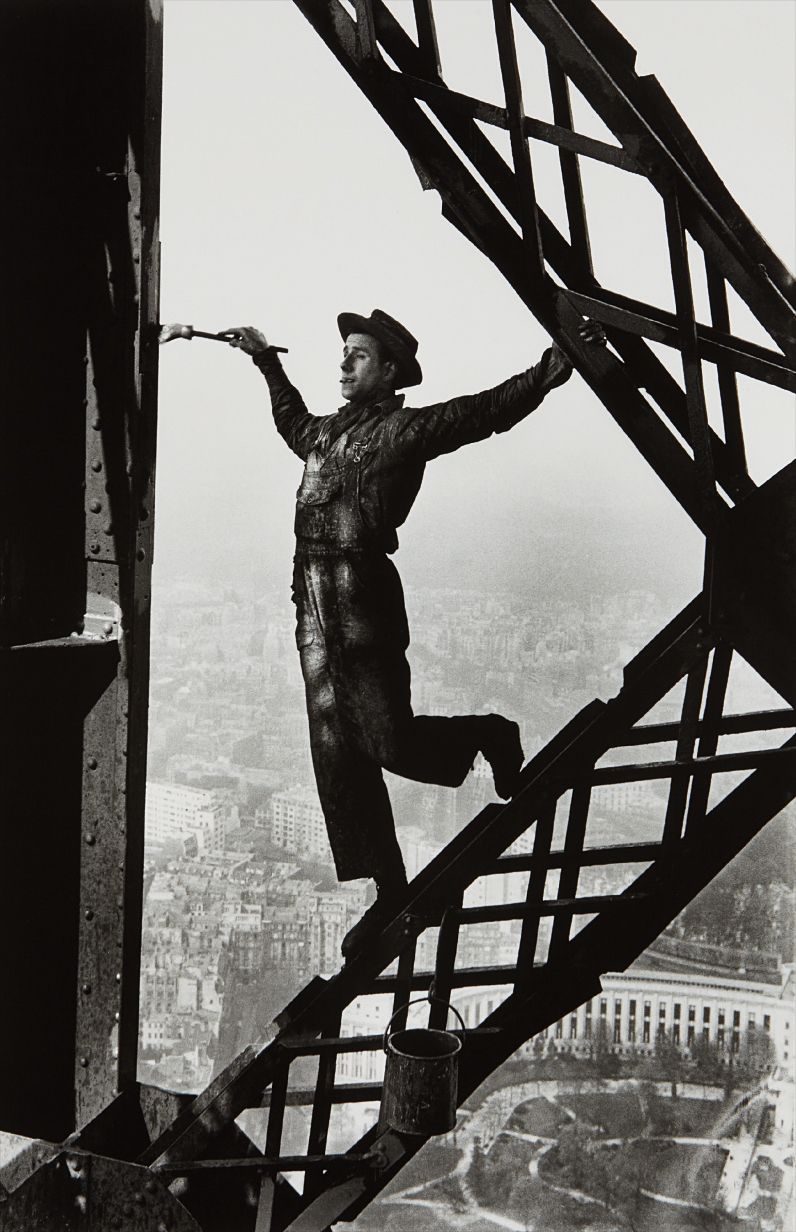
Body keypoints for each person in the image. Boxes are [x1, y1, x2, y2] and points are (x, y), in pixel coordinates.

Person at [223, 310, 604, 957]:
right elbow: (290, 418)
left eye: (359, 355)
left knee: (388, 742)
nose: (344, 364)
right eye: (342, 353)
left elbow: (479, 413)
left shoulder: (404, 431)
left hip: (361, 604)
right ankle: (387, 889)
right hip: (313, 608)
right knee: (336, 754)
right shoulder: (323, 435)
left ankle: (489, 733)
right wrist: (264, 359)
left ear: (390, 370)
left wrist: (547, 372)